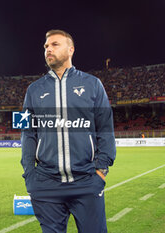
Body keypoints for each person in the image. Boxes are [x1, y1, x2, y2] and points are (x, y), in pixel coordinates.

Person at [21, 29, 116, 233]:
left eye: (55, 44)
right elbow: (27, 133)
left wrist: (101, 171)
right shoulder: (33, 90)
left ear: (70, 49)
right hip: (46, 184)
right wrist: (30, 175)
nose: (48, 49)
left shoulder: (93, 84)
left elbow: (106, 129)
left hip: (86, 181)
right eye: (46, 46)